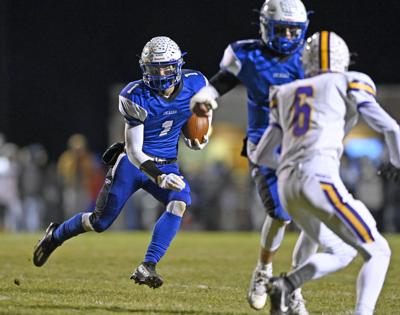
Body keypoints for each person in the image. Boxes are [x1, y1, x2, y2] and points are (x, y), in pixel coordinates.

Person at [33, 36, 213, 288]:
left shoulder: (197, 84)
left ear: (178, 66)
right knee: (100, 222)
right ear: (144, 69)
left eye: (166, 68)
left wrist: (199, 135)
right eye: (155, 68)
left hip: (167, 162)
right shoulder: (135, 95)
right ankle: (56, 235)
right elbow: (134, 151)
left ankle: (147, 265)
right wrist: (159, 175)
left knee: (180, 201)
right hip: (133, 165)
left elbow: (203, 113)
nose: (161, 74)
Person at [251, 31, 398, 315]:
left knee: (341, 250)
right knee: (379, 251)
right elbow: (391, 127)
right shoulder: (350, 80)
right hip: (318, 176)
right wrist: (397, 162)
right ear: (343, 58)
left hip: (287, 184)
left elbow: (262, 155)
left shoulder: (285, 91)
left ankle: (288, 286)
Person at [190, 0, 315, 312]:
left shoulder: (313, 55)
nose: (287, 35)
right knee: (280, 214)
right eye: (281, 28)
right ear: (264, 26)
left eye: (293, 30)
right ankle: (264, 271)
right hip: (266, 146)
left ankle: (293, 286)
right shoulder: (247, 54)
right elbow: (223, 81)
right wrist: (206, 97)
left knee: (318, 222)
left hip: (307, 147)